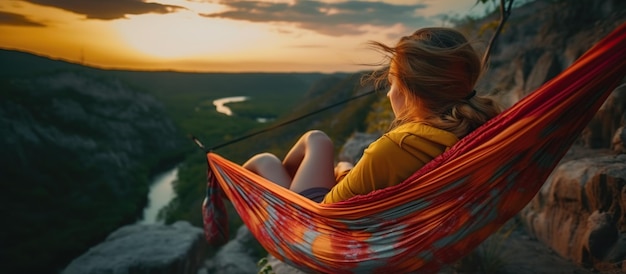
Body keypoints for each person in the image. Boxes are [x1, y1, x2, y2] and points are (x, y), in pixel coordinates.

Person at [243, 27, 501, 204]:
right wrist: (345, 170)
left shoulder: (398, 146)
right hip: (390, 221)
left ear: (411, 92)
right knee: (317, 140)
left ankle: (222, 193)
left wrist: (344, 172)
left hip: (312, 221)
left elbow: (327, 210)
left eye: (391, 83)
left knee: (266, 160)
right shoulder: (477, 132)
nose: (389, 94)